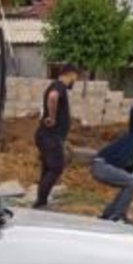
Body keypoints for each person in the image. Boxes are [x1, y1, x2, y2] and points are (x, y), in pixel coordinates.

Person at [33, 64, 80, 208]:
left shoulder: (55, 85)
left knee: (48, 168)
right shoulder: (59, 86)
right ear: (70, 74)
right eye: (75, 78)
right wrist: (52, 117)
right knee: (56, 168)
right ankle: (40, 202)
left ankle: (41, 201)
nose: (74, 81)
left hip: (47, 136)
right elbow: (53, 97)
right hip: (50, 137)